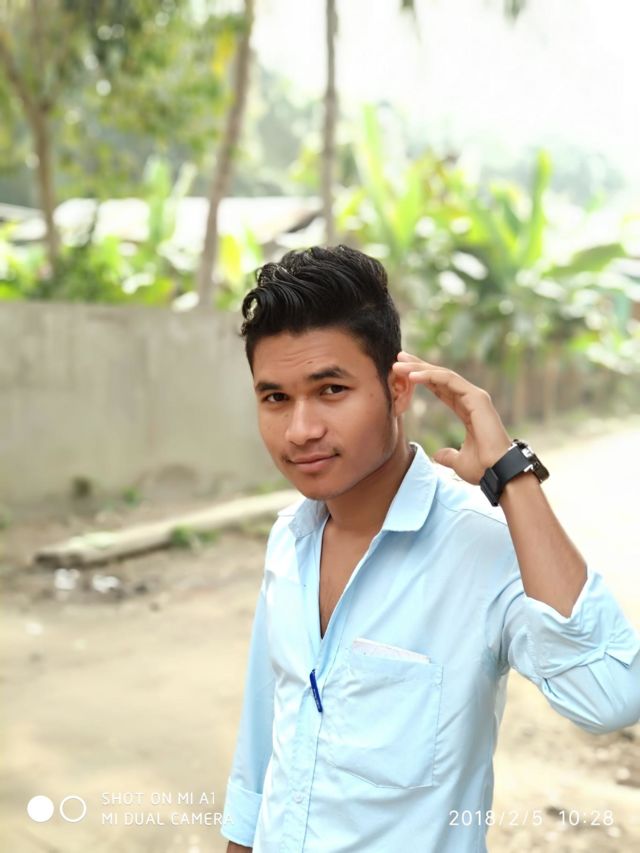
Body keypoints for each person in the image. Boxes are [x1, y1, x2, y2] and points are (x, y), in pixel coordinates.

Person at [220, 244, 640, 853]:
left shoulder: (482, 546)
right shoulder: (290, 537)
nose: (301, 430)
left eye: (331, 389)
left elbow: (610, 696)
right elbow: (265, 739)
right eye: (275, 398)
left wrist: (511, 474)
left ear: (398, 389)